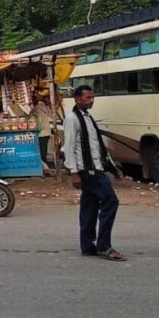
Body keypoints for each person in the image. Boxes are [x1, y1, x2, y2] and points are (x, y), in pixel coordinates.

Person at [64, 85, 126, 261]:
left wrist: (112, 167)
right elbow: (69, 147)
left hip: (95, 168)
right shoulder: (72, 119)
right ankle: (104, 246)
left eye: (93, 97)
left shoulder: (88, 118)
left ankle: (87, 246)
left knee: (89, 207)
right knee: (111, 201)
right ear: (78, 99)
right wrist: (73, 172)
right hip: (87, 171)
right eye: (88, 98)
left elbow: (97, 146)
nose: (92, 101)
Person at [34, 96, 53, 171]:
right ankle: (45, 167)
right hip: (46, 133)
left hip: (41, 134)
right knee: (44, 151)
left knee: (42, 152)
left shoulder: (38, 109)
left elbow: (40, 123)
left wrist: (36, 129)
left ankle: (45, 168)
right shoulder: (45, 108)